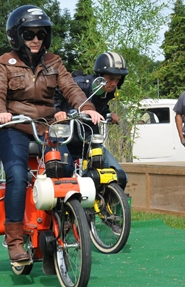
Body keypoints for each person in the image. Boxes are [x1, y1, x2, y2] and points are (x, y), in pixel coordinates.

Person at [0, 5, 102, 264]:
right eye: (29, 34)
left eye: (41, 34)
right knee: (17, 176)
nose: (35, 39)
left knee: (66, 171)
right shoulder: (4, 62)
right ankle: (15, 240)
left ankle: (65, 222)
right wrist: (0, 113)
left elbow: (70, 88)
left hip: (46, 127)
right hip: (14, 128)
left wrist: (87, 108)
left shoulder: (53, 61)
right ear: (16, 36)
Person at [53, 51, 129, 187]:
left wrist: (109, 114)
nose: (114, 83)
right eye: (111, 78)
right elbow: (52, 95)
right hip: (66, 139)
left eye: (118, 80)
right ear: (99, 76)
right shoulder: (79, 84)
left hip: (89, 140)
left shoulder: (107, 92)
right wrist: (58, 111)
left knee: (120, 176)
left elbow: (99, 109)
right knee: (66, 175)